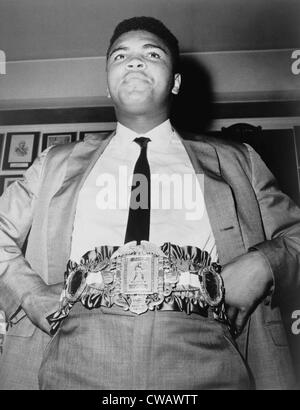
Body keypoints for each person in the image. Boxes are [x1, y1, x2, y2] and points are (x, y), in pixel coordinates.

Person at [0, 16, 299, 390]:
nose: (134, 62)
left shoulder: (239, 160)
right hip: (73, 348)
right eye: (119, 56)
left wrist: (263, 264)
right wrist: (27, 292)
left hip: (209, 349)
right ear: (108, 85)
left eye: (151, 54)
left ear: (175, 82)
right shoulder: (53, 164)